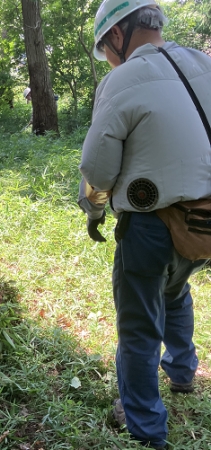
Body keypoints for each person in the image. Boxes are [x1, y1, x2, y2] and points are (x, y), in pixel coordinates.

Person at [78, 0, 211, 447]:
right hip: (206, 225)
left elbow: (97, 170)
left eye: (107, 49)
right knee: (175, 289)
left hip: (154, 225)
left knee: (137, 326)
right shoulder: (200, 60)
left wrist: (94, 211)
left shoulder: (122, 79)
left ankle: (144, 425)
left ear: (117, 35)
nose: (109, 60)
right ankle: (182, 371)